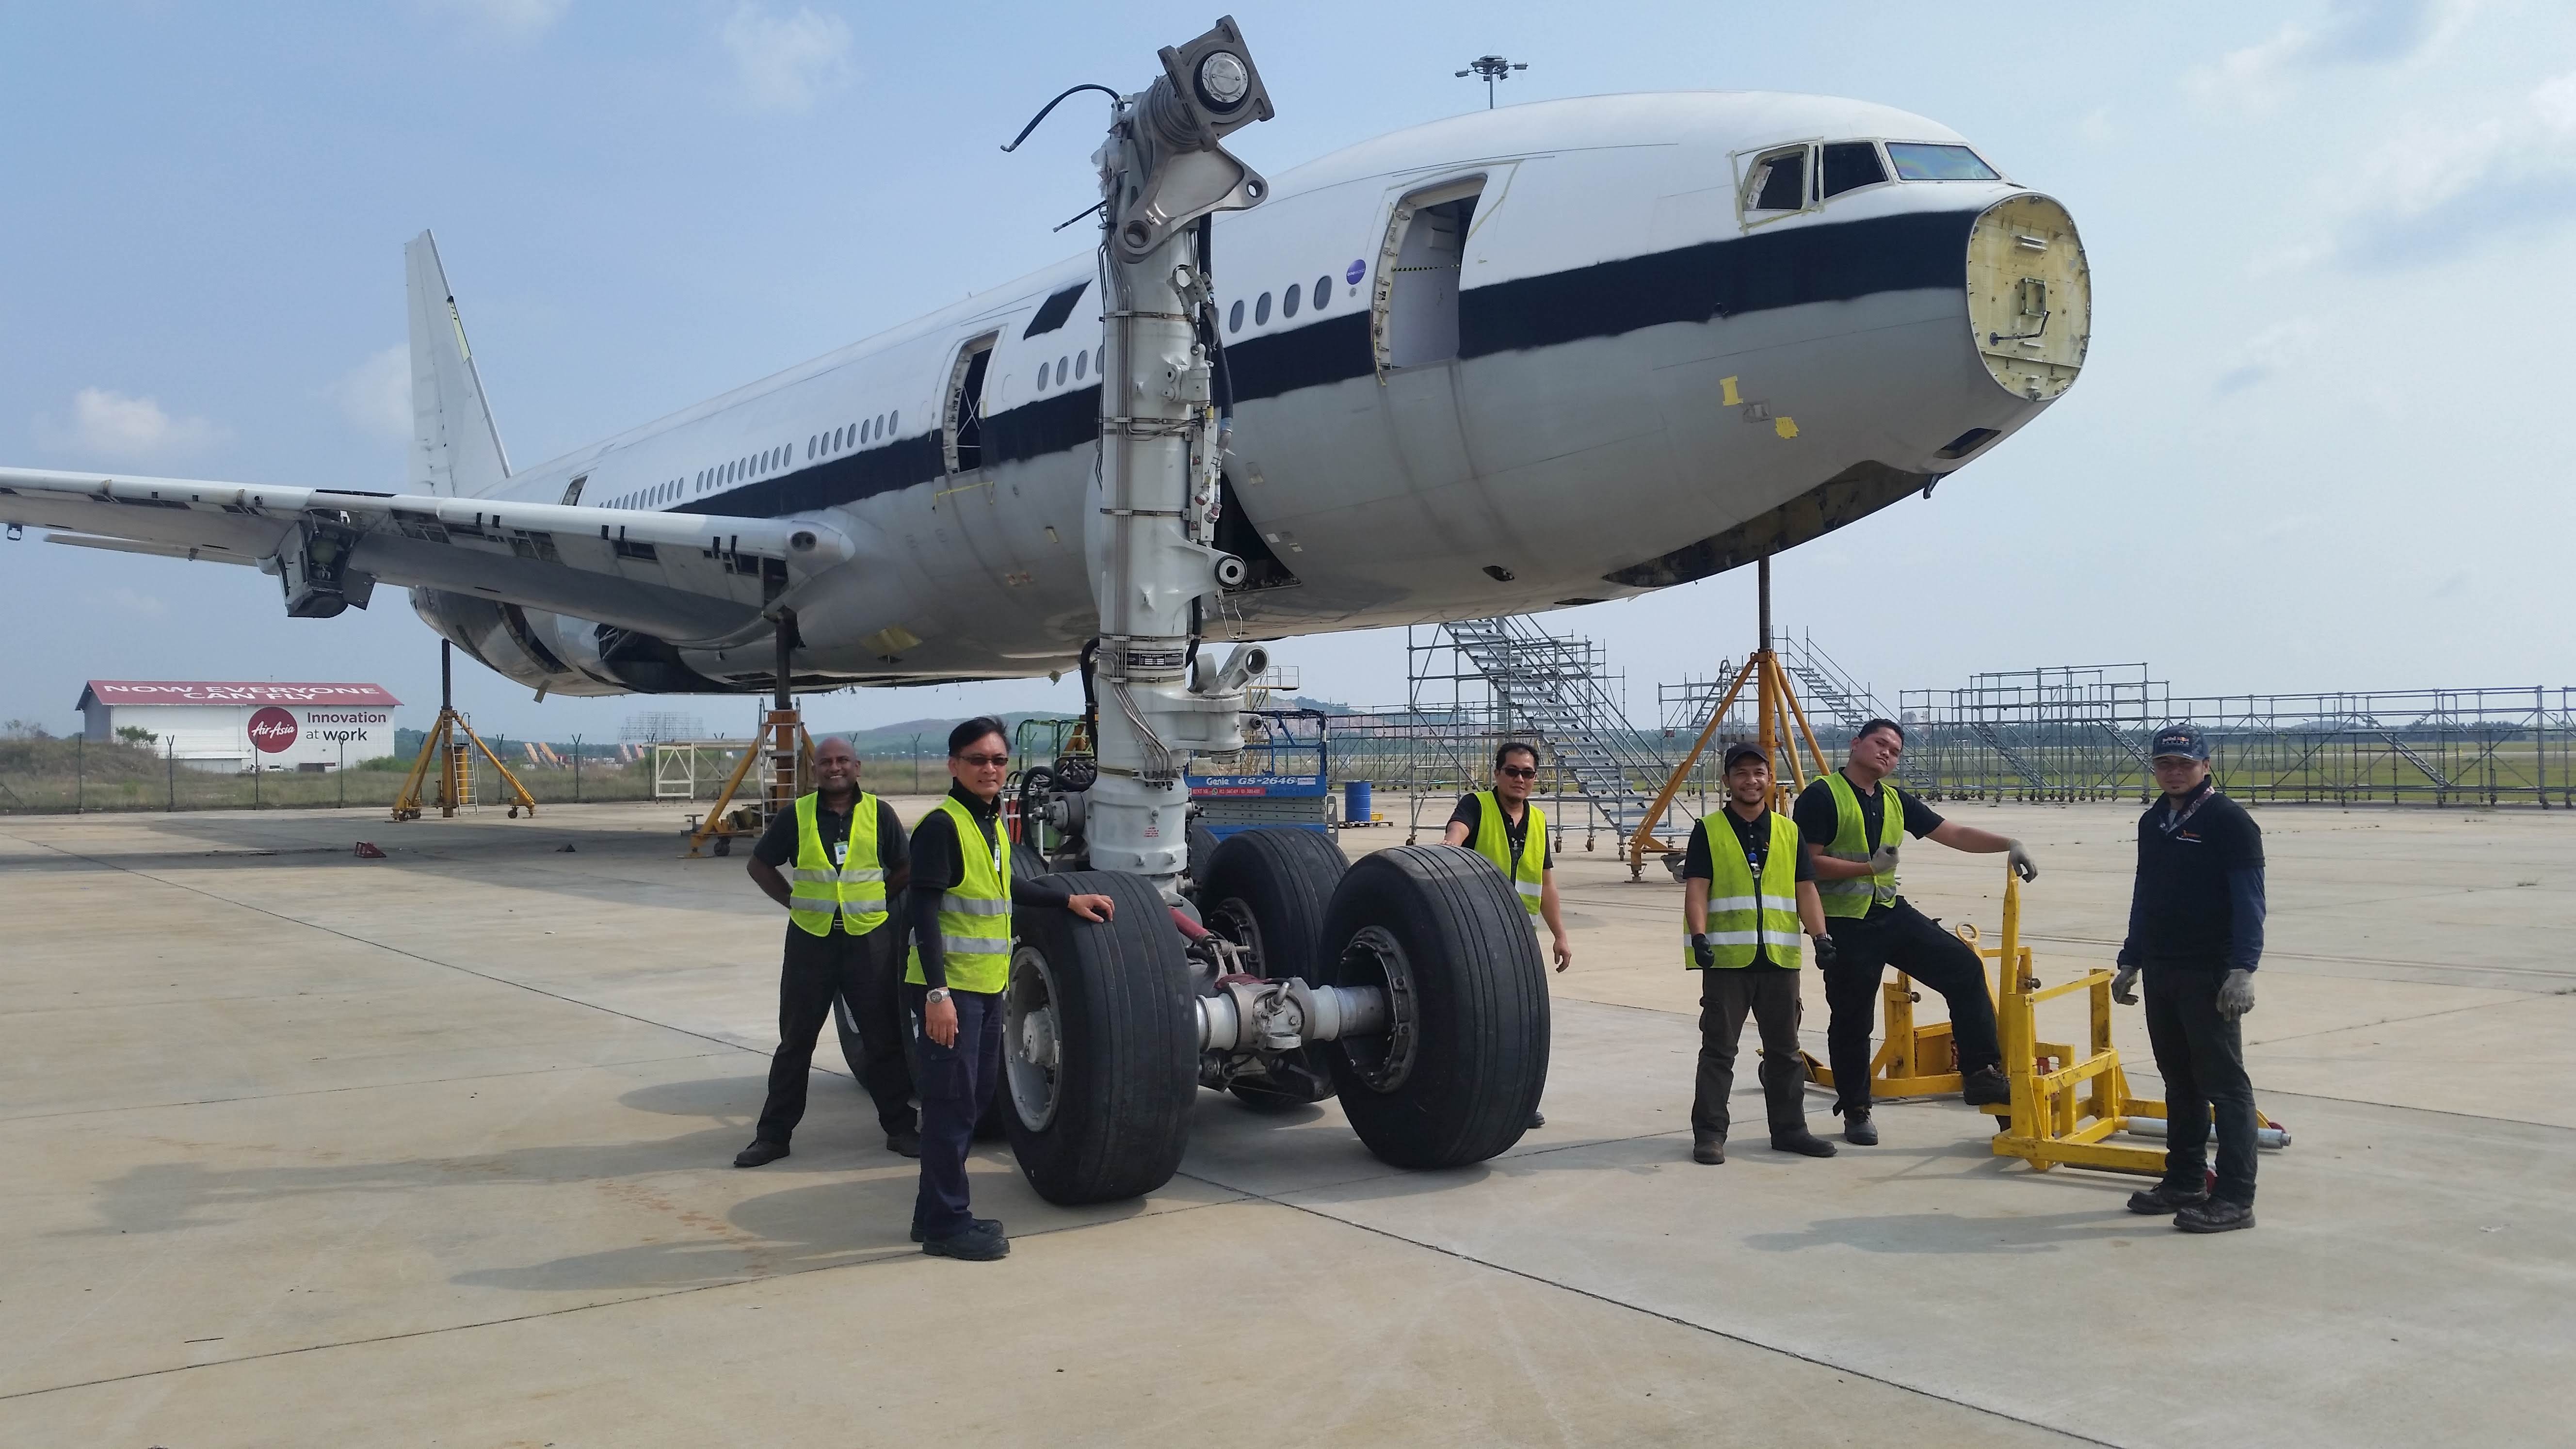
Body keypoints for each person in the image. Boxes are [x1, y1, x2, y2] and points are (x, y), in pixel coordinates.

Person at [905, 717, 1114, 1261]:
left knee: (970, 1101)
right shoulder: (942, 826)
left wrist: (1064, 900)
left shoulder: (987, 821)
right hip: (949, 993)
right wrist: (936, 995)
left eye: (999, 761)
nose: (990, 769)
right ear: (954, 766)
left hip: (981, 987)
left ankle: (932, 1211)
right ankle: (947, 1225)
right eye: (977, 760)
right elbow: (921, 912)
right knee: (951, 1106)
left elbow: (1003, 887)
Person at [1796, 719, 2037, 1145]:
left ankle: (1981, 1073)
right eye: (1880, 744)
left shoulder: (1894, 800)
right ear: (1856, 745)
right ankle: (1856, 1110)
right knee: (1853, 1019)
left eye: (1895, 751)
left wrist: (2009, 842)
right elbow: (1806, 864)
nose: (1887, 754)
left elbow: (1953, 833)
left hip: (1890, 912)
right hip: (1845, 923)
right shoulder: (1821, 797)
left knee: (1963, 968)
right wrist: (1867, 868)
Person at [735, 735, 916, 1167]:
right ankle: (773, 1136)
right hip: (810, 941)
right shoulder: (795, 816)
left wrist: (876, 899)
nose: (834, 768)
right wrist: (792, 901)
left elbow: (906, 867)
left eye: (843, 761)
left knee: (882, 1038)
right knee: (796, 1042)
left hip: (868, 941)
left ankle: (901, 1129)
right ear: (815, 771)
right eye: (826, 762)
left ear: (858, 767)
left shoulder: (879, 813)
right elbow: (759, 865)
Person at [2112, 724, 2264, 1233]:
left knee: (2224, 1086)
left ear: (2205, 766)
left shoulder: (2229, 822)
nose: (2173, 773)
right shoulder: (2154, 820)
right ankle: (2183, 1180)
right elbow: (2145, 895)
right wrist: (2130, 958)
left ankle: (2235, 1198)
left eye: (2183, 764)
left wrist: (2243, 969)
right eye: (2163, 765)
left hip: (2209, 973)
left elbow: (2249, 902)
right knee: (2178, 1082)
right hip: (2161, 967)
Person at [1683, 744, 1838, 1164]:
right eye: (1741, 774)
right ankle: (1710, 1134)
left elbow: (1804, 888)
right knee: (1719, 1051)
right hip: (1727, 962)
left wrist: (1821, 936)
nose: (1751, 781)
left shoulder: (1789, 832)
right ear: (1727, 781)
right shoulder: (1709, 829)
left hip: (1778, 960)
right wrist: (1699, 937)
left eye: (1759, 773)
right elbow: (1697, 887)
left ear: (1770, 779)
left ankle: (1791, 1130)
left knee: (1785, 1052)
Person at [1445, 740, 1574, 1130]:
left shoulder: (1537, 821)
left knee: (1525, 1024)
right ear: (1497, 774)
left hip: (1520, 940)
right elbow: (1457, 832)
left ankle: (1521, 1101)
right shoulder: (1477, 805)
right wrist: (1450, 845)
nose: (1520, 779)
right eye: (1513, 771)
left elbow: (1546, 883)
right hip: (1477, 936)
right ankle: (1462, 1097)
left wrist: (1560, 936)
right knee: (1473, 1023)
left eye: (1528, 773)